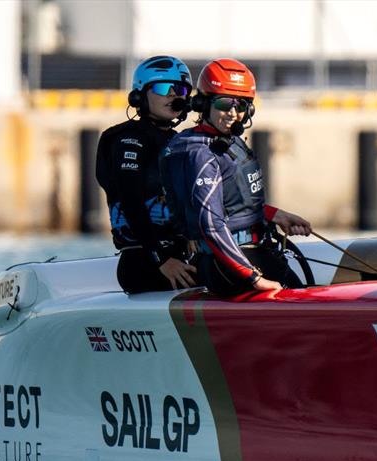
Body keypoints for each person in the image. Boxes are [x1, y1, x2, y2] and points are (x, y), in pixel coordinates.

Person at [160, 58, 311, 295]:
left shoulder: (227, 141)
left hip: (253, 251)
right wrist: (253, 278)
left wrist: (275, 215)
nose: (232, 113)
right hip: (227, 265)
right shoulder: (200, 153)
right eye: (223, 104)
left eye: (241, 106)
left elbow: (233, 201)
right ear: (203, 104)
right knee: (299, 299)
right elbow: (210, 224)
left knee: (303, 291)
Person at [96, 55, 198, 293]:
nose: (175, 94)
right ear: (139, 95)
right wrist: (160, 258)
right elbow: (130, 199)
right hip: (145, 263)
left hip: (180, 257)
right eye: (164, 88)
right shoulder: (127, 139)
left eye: (181, 88)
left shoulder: (178, 141)